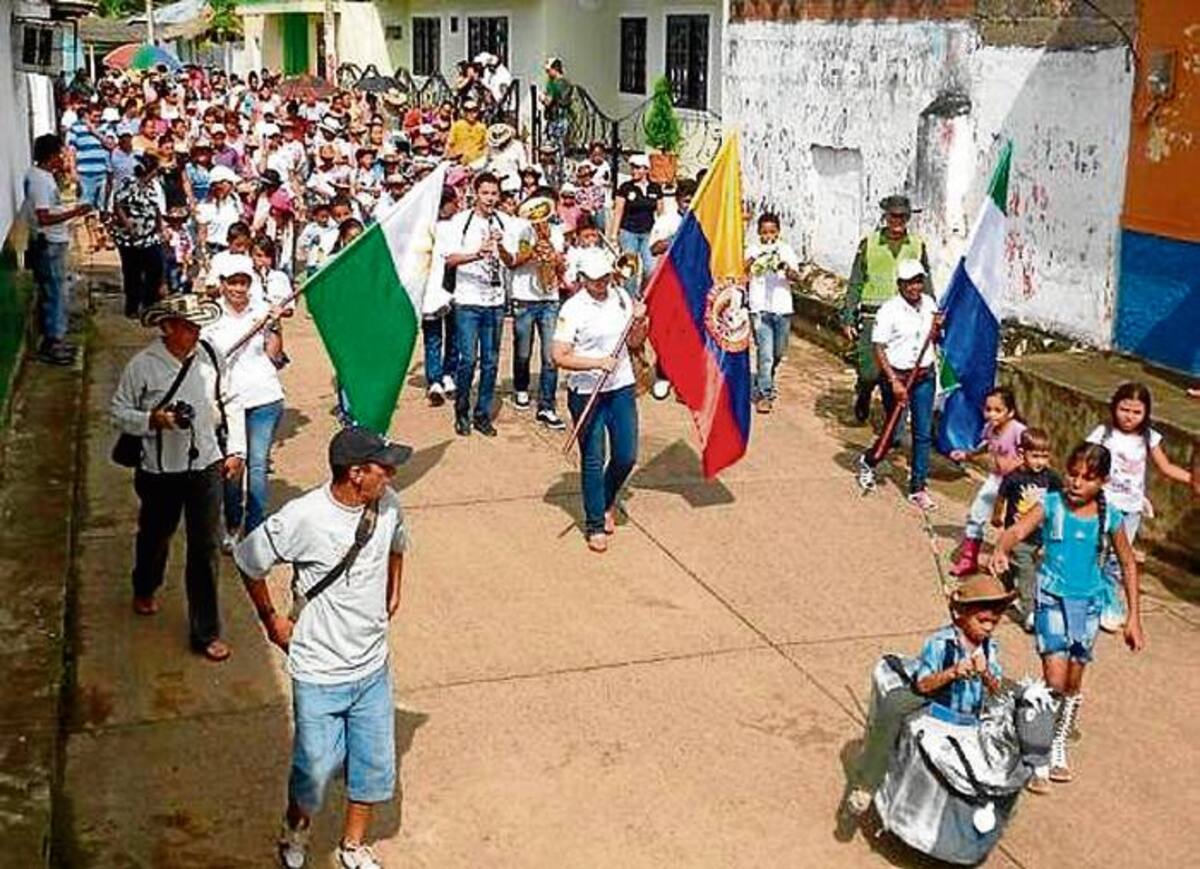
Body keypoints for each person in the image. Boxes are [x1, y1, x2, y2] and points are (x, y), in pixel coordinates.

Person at [234, 427, 410, 869]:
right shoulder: (305, 517)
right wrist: (271, 620)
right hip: (318, 671)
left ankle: (353, 846)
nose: (391, 474)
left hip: (372, 668)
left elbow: (398, 543)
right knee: (312, 771)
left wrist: (394, 588)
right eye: (383, 468)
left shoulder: (388, 504)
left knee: (372, 767)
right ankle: (295, 833)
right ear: (356, 473)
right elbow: (249, 559)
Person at [990, 442, 1144, 792]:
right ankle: (1039, 753)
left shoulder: (1110, 516)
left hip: (1088, 606)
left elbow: (1128, 563)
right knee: (1055, 680)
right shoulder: (1051, 504)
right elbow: (1016, 531)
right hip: (1051, 599)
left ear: (1103, 482)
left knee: (1073, 682)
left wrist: (1134, 617)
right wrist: (1000, 549)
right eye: (1072, 474)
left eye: (1087, 478)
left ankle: (1058, 737)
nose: (1076, 482)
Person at [110, 293, 246, 662]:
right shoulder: (143, 366)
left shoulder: (211, 356)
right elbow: (118, 412)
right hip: (160, 471)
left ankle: (205, 631)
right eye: (188, 327)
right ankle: (145, 584)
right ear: (167, 327)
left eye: (198, 326)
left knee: (205, 548)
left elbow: (232, 401)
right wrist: (152, 420)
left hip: (206, 466)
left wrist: (237, 450)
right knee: (156, 536)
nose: (195, 333)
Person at [843, 574, 1012, 816]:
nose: (987, 628)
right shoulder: (939, 643)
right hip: (936, 702)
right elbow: (922, 685)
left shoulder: (990, 648)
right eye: (982, 621)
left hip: (971, 714)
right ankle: (867, 785)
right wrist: (953, 672)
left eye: (993, 623)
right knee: (892, 706)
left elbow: (998, 691)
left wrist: (986, 674)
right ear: (962, 615)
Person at [552, 249, 648, 553]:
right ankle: (595, 523)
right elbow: (559, 356)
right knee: (593, 458)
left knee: (626, 455)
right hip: (586, 392)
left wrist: (639, 322)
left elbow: (634, 343)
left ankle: (606, 499)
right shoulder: (572, 308)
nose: (601, 283)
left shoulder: (621, 297)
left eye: (605, 277)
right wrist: (595, 363)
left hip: (620, 387)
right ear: (582, 278)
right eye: (595, 279)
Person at [1085, 382, 1193, 630]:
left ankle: (1109, 601)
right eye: (1124, 409)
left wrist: (1192, 480)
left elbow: (1166, 467)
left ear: (1146, 413)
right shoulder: (1103, 433)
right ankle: (1090, 596)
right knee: (1097, 550)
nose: (1129, 416)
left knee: (1118, 557)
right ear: (1114, 407)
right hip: (1103, 505)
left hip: (1131, 509)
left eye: (1136, 412)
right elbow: (1084, 460)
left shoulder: (1149, 437)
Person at [201, 255, 286, 550]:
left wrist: (274, 327)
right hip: (227, 404)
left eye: (243, 282)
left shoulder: (263, 311)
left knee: (258, 466)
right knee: (233, 468)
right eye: (233, 282)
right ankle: (233, 523)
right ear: (222, 284)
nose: (238, 288)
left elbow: (275, 356)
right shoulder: (208, 317)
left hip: (265, 397)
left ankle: (254, 529)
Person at [856, 259, 943, 509]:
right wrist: (894, 381)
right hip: (897, 376)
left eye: (918, 281)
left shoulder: (930, 305)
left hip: (924, 375)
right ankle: (870, 460)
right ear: (900, 284)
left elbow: (935, 337)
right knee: (894, 429)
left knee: (922, 432)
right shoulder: (889, 310)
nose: (914, 287)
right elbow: (879, 348)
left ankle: (918, 486)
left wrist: (938, 327)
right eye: (909, 283)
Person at [842, 195, 931, 423]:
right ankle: (863, 392)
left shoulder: (917, 245)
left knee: (897, 370)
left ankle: (893, 425)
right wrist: (848, 316)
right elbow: (856, 281)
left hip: (905, 314)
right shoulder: (869, 243)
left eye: (902, 216)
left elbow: (926, 282)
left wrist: (931, 315)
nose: (897, 221)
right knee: (870, 371)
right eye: (893, 216)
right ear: (886, 217)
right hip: (873, 313)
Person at [444, 172, 507, 437]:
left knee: (491, 362)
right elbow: (449, 259)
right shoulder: (460, 221)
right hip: (468, 300)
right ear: (476, 194)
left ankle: (482, 414)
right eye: (485, 193)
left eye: (494, 194)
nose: (490, 198)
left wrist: (502, 247)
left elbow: (513, 259)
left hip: (495, 301)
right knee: (468, 359)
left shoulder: (503, 221)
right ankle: (461, 411)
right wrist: (477, 254)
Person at [24, 134, 93, 365]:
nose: (63, 158)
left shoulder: (43, 177)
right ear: (51, 156)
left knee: (57, 292)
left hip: (53, 242)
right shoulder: (40, 181)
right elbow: (43, 217)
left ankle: (56, 339)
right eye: (60, 154)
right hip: (50, 244)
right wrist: (76, 212)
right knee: (56, 294)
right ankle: (52, 343)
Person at [947, 387, 1027, 576]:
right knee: (976, 513)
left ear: (1010, 412)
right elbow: (986, 445)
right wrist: (967, 455)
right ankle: (969, 559)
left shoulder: (1018, 430)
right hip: (997, 478)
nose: (992, 414)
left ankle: (1014, 565)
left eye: (998, 410)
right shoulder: (990, 428)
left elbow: (1031, 452)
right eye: (988, 409)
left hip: (1019, 483)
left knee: (1015, 523)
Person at [505, 193, 566, 429]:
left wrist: (554, 257)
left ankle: (547, 406)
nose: (541, 215)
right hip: (524, 298)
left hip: (549, 299)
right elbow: (511, 262)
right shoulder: (517, 229)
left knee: (551, 356)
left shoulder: (556, 231)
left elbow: (561, 265)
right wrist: (533, 251)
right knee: (523, 352)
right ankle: (521, 387)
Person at [993, 427, 1061, 630]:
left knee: (1023, 568)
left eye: (1045, 456)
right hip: (1017, 536)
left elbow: (1059, 502)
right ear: (1022, 453)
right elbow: (1001, 498)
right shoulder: (1013, 478)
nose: (1040, 461)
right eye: (1035, 456)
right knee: (1026, 571)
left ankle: (1005, 589)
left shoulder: (1051, 478)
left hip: (1040, 534)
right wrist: (997, 515)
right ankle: (1029, 611)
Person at [743, 211, 801, 414]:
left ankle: (765, 376)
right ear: (759, 232)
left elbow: (796, 277)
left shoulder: (785, 250)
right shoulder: (752, 249)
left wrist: (785, 267)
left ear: (778, 232)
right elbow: (742, 271)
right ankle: (764, 394)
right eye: (764, 232)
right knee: (765, 353)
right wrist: (754, 259)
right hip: (759, 309)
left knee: (778, 352)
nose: (768, 236)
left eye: (772, 232)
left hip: (782, 308)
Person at [111, 154, 166, 318]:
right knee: (132, 272)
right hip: (130, 238)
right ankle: (132, 307)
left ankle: (150, 304)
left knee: (155, 269)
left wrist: (160, 228)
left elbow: (156, 208)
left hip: (150, 235)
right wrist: (127, 224)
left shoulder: (153, 186)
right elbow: (118, 204)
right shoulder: (129, 183)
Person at [424, 187, 461, 407]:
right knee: (433, 336)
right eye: (453, 202)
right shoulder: (424, 226)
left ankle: (449, 374)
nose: (457, 206)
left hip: (455, 287)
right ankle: (434, 379)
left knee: (454, 334)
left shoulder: (459, 225)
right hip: (430, 288)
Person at [609, 154, 662, 295]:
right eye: (633, 168)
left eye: (638, 168)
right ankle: (630, 297)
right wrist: (614, 235)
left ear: (646, 169)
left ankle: (643, 294)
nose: (634, 171)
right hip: (629, 231)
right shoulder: (625, 188)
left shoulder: (655, 188)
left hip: (648, 232)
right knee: (630, 269)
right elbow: (618, 212)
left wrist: (662, 233)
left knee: (650, 268)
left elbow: (661, 213)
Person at [67, 102, 113, 252]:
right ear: (87, 115)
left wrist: (95, 131)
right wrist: (73, 170)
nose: (97, 119)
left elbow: (111, 145)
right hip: (84, 173)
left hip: (102, 172)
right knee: (87, 207)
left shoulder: (106, 127)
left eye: (99, 116)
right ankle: (92, 240)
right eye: (94, 116)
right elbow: (71, 150)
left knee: (104, 207)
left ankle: (105, 236)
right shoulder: (75, 128)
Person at [541, 57, 573, 186]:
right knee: (560, 148)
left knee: (554, 148)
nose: (547, 74)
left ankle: (554, 177)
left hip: (556, 119)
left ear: (555, 69)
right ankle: (558, 175)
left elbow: (548, 101)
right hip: (562, 118)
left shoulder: (555, 84)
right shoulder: (566, 83)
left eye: (549, 71)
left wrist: (542, 98)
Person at [446, 100, 487, 166]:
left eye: (474, 111)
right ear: (464, 112)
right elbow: (449, 145)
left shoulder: (482, 128)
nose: (471, 113)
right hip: (458, 164)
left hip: (476, 165)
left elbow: (485, 147)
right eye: (468, 110)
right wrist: (452, 155)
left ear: (478, 112)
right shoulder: (457, 126)